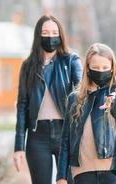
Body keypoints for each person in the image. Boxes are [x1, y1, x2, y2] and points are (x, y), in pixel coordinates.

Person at [13, 14, 83, 184]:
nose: (50, 36)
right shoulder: (28, 65)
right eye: (45, 32)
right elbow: (22, 106)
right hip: (37, 138)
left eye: (54, 32)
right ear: (38, 35)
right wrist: (18, 146)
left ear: (60, 35)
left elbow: (82, 94)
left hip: (65, 133)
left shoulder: (71, 61)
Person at [56, 43, 116, 184]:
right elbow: (66, 139)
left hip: (113, 171)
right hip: (82, 173)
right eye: (95, 68)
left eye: (105, 68)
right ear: (88, 69)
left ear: (112, 69)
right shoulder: (75, 99)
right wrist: (61, 176)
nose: (100, 71)